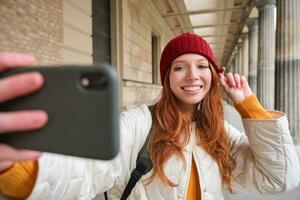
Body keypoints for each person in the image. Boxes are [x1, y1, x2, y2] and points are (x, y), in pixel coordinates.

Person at [0, 33, 299, 200]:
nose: (192, 76)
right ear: (167, 77)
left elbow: (280, 179)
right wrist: (15, 166)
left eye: (202, 66)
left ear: (213, 74)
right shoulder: (138, 125)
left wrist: (250, 107)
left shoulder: (218, 131)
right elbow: (86, 171)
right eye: (180, 67)